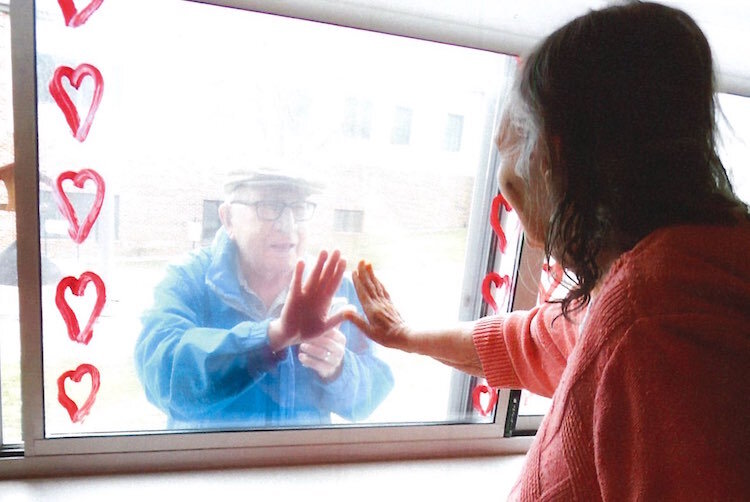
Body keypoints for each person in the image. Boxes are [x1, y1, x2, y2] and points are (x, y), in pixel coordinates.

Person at [344, 2, 750, 500]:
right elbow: (538, 342)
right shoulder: (678, 265)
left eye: (516, 177)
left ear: (559, 155)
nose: (535, 239)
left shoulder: (653, 319)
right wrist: (407, 336)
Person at [135, 166, 393, 429]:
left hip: (299, 465)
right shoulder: (187, 280)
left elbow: (373, 390)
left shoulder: (332, 287)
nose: (288, 225)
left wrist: (338, 369)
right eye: (269, 206)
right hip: (209, 465)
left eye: (299, 208)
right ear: (228, 219)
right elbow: (162, 378)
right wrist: (271, 337)